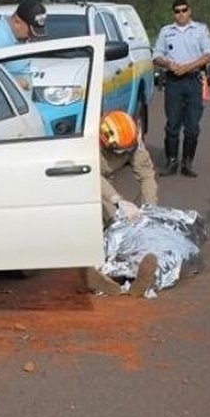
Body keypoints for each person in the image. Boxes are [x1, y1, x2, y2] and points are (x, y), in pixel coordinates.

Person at [85, 110, 159, 296]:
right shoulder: (89, 141)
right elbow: (92, 175)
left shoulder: (132, 141)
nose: (125, 154)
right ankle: (99, 272)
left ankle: (133, 277)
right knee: (109, 219)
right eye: (120, 151)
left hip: (106, 181)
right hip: (85, 181)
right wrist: (117, 200)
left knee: (131, 225)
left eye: (128, 150)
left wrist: (150, 209)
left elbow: (146, 175)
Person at [152, 0, 210, 177]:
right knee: (172, 124)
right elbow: (156, 55)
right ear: (173, 13)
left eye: (184, 10)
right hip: (173, 82)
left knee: (192, 126)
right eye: (177, 11)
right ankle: (171, 161)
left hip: (193, 80)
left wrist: (188, 66)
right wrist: (168, 64)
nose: (180, 14)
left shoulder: (200, 30)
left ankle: (187, 162)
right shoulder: (166, 31)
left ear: (190, 11)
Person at [0, 0, 46, 90]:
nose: (32, 37)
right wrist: (18, 83)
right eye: (29, 32)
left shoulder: (17, 37)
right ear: (17, 22)